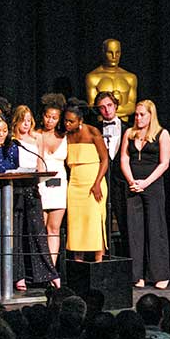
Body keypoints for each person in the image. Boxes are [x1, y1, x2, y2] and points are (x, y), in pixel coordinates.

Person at [6, 106, 61, 290]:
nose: (26, 124)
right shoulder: (11, 139)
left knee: (38, 231)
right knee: (17, 234)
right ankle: (19, 276)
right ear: (16, 121)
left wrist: (41, 180)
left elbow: (40, 164)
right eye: (23, 120)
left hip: (32, 187)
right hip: (15, 188)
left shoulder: (38, 138)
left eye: (29, 120)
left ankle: (48, 273)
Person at [121, 99, 170, 289]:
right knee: (135, 230)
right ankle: (137, 274)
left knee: (155, 228)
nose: (138, 117)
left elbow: (164, 163)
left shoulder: (162, 134)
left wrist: (146, 183)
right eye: (136, 114)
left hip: (152, 185)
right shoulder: (130, 133)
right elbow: (124, 159)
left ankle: (159, 274)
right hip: (133, 185)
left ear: (151, 115)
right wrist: (131, 181)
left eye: (142, 114)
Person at [62, 101, 109, 262]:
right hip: (75, 184)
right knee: (76, 227)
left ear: (80, 121)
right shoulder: (66, 136)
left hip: (93, 182)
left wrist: (97, 183)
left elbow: (104, 160)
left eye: (71, 121)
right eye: (65, 120)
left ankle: (99, 264)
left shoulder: (92, 131)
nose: (67, 124)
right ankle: (78, 266)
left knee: (94, 224)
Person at [93, 91, 130, 260]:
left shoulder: (128, 129)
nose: (107, 110)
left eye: (109, 105)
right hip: (102, 181)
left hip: (121, 181)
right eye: (102, 107)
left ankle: (127, 260)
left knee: (125, 221)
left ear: (115, 105)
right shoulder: (94, 130)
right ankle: (103, 258)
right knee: (102, 221)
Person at [34, 94, 69, 266]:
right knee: (41, 228)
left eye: (54, 118)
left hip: (59, 184)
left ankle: (51, 268)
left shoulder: (65, 136)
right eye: (47, 116)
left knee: (54, 229)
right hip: (40, 183)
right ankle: (41, 267)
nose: (50, 121)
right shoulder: (36, 134)